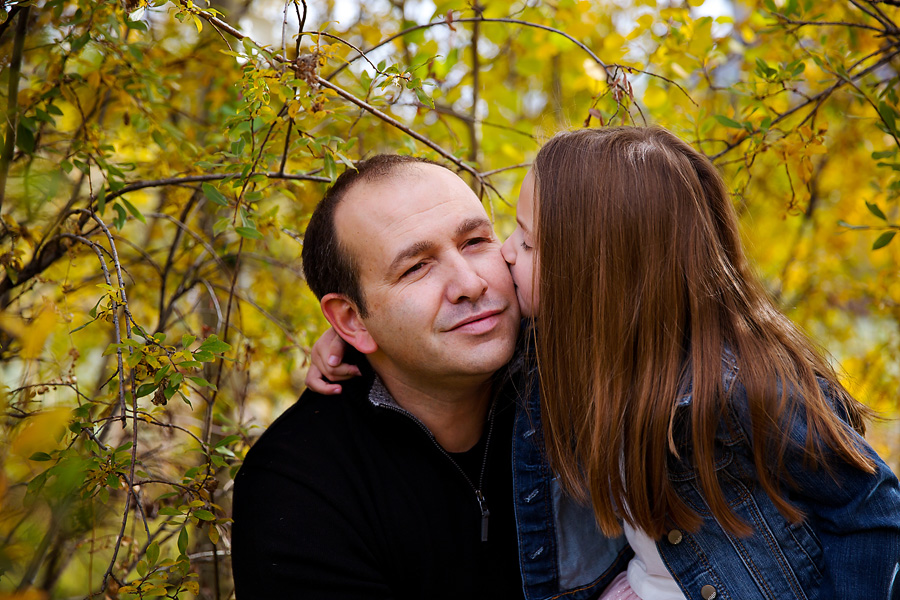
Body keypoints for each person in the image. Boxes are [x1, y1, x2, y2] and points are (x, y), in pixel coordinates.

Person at [311, 127, 900, 599]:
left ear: (594, 276)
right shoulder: (563, 354)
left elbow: (870, 510)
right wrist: (357, 340)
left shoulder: (739, 388)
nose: (505, 257)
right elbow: (435, 343)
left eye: (526, 241)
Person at [231, 154, 630, 600]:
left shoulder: (587, 367)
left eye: (476, 241)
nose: (470, 283)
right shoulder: (299, 489)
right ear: (351, 320)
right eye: (416, 267)